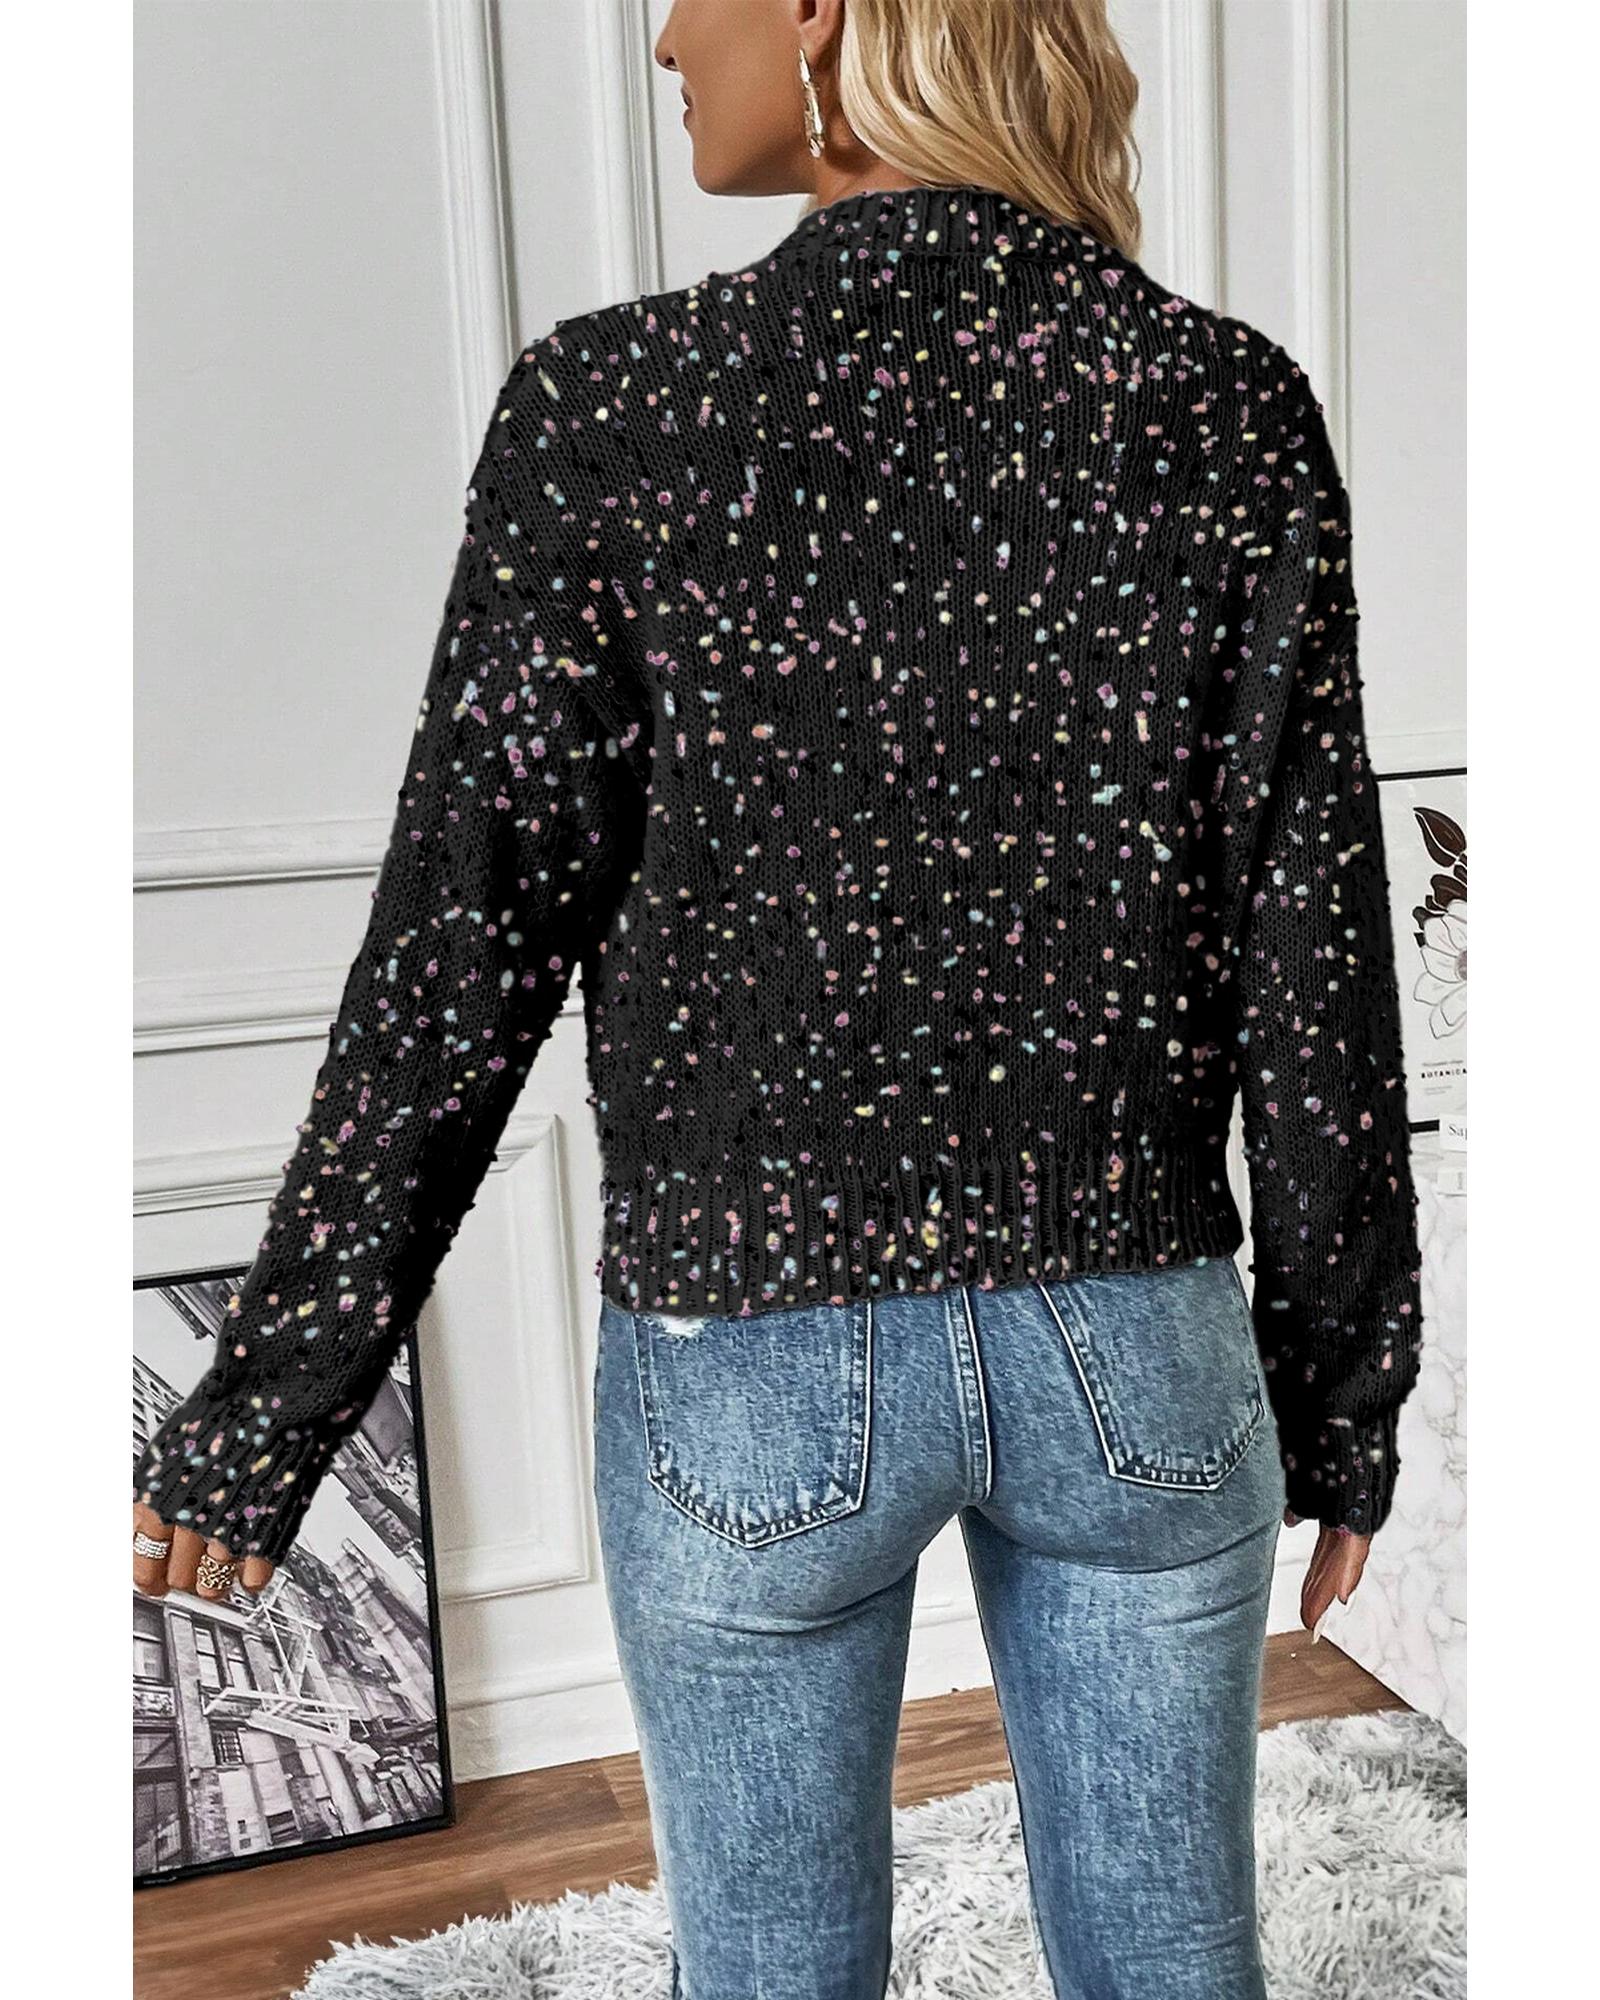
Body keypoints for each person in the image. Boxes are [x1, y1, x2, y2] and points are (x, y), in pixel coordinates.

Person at [132, 1, 1424, 1992]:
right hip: (1139, 1355)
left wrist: (264, 1407)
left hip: (749, 1360)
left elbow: (459, 948)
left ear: (826, 9)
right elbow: (1311, 949)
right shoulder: (1221, 403)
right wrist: (1341, 1400)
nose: (665, 33)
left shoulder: (615, 404)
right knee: (1177, 1964)